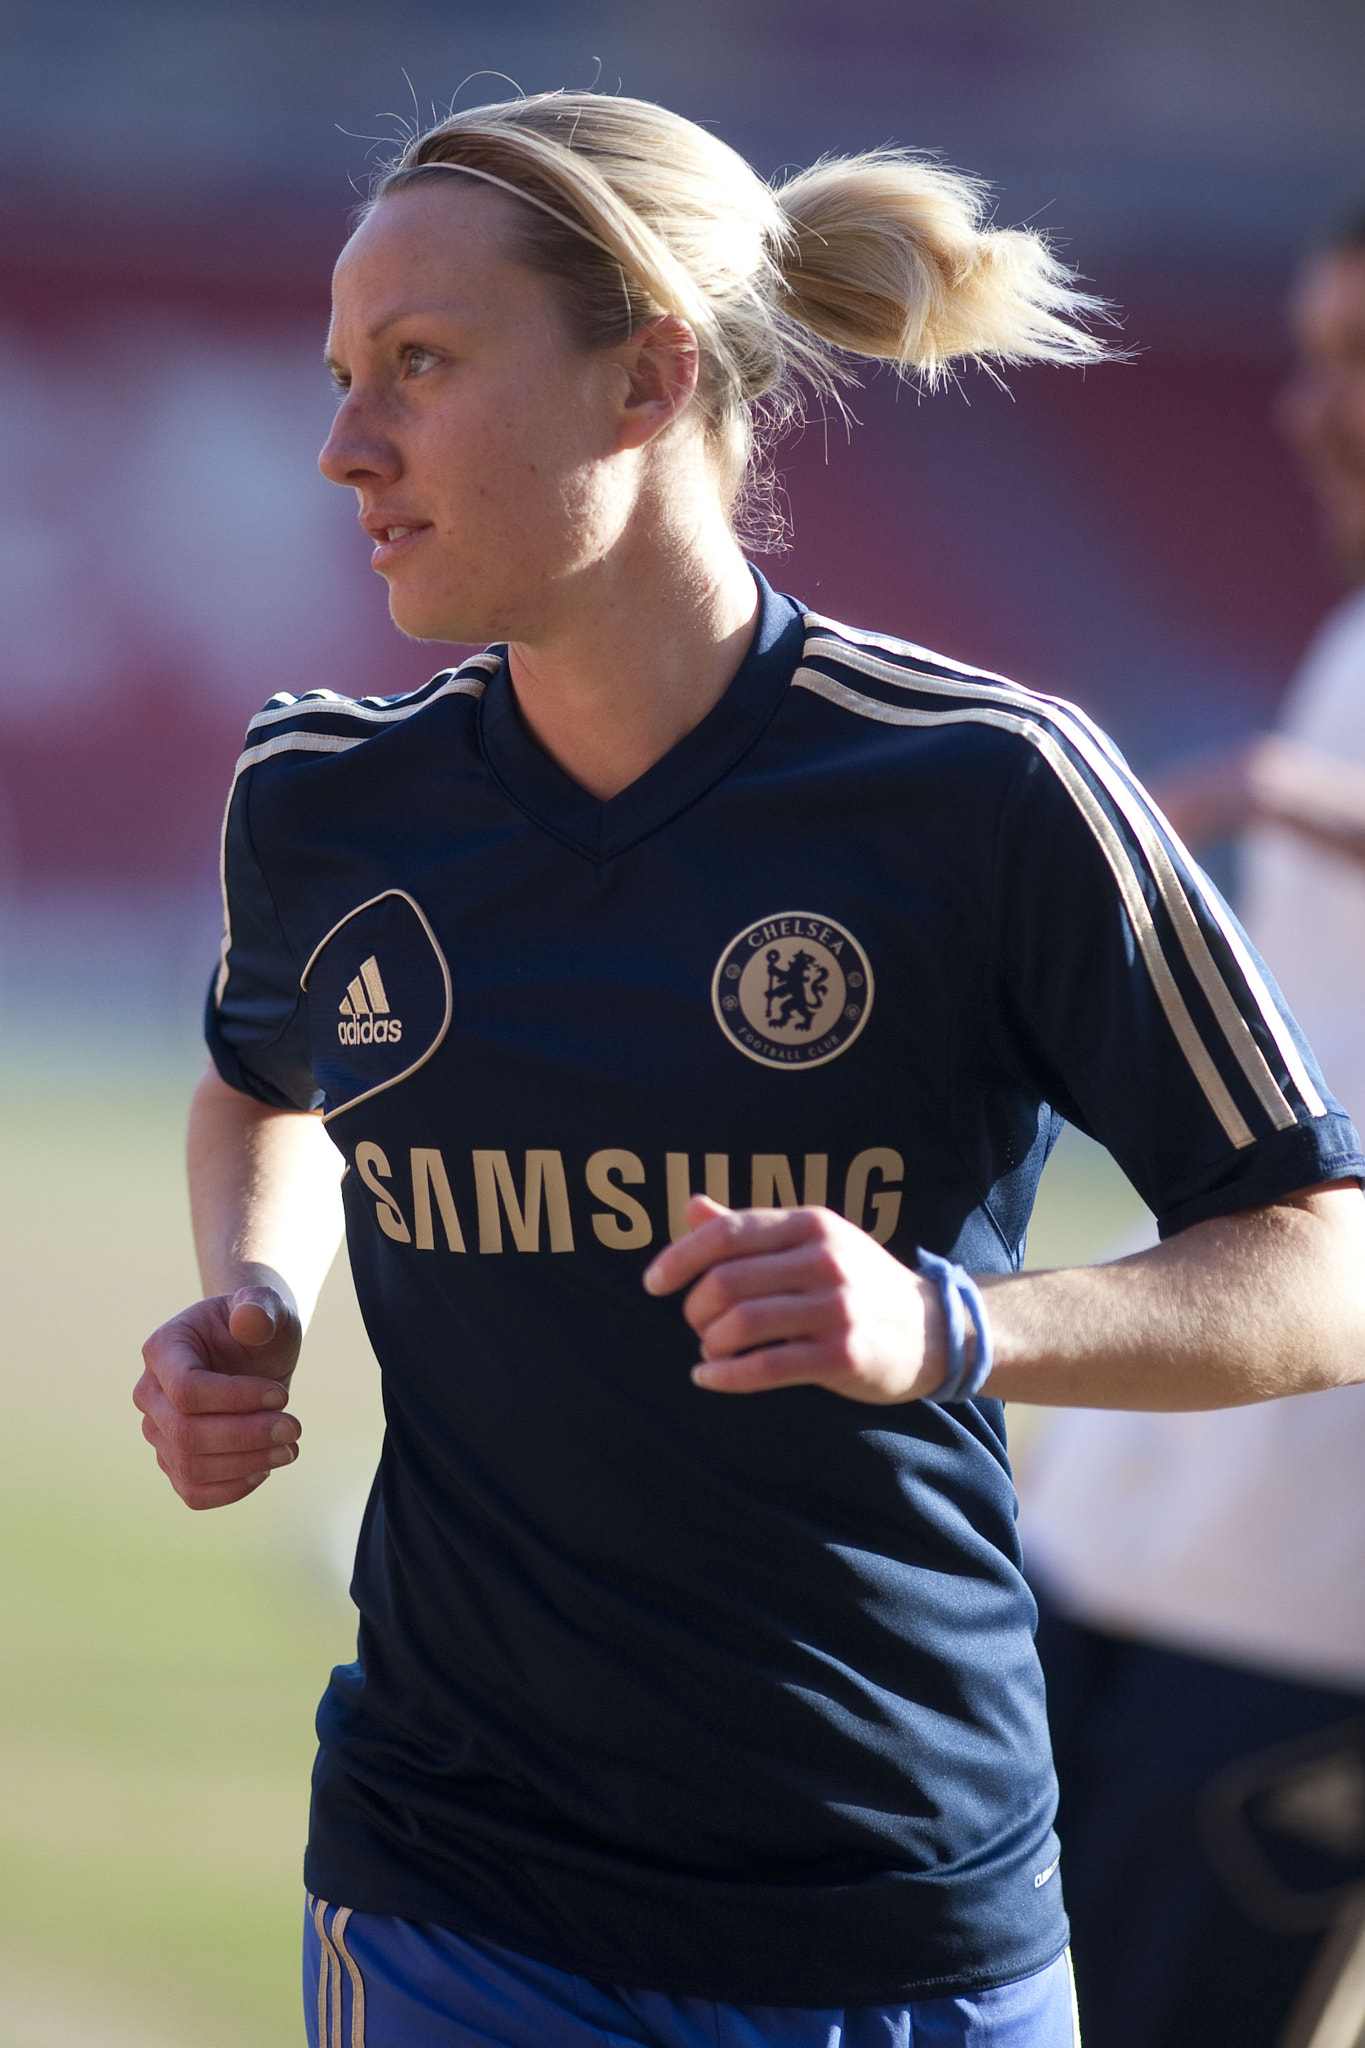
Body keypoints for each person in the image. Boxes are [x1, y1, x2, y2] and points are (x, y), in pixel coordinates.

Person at [132, 93, 1365, 2048]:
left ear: (648, 376)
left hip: (891, 1922)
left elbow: (1320, 1259)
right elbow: (259, 1081)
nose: (343, 443)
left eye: (421, 368)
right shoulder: (324, 799)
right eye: (345, 375)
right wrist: (256, 1293)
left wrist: (947, 1321)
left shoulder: (991, 788)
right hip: (448, 1890)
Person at [1019, 212, 1365, 2048]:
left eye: (1363, 365)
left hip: (1315, 1596)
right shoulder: (1350, 637)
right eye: (1314, 356)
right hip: (1131, 1522)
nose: (1317, 410)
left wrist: (1267, 792)